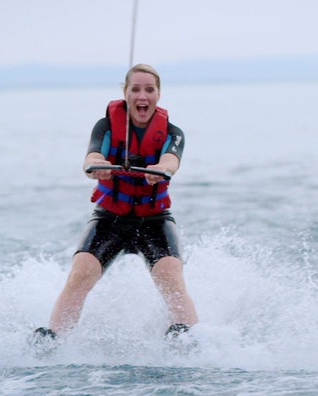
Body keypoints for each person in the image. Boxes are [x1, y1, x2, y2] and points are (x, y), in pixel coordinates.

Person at [34, 64, 198, 344]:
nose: (142, 96)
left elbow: (171, 162)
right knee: (81, 272)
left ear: (158, 94)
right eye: (135, 89)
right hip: (110, 217)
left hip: (154, 219)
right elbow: (91, 156)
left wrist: (157, 168)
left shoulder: (173, 132)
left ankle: (189, 337)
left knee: (170, 275)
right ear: (125, 93)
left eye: (149, 89)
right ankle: (54, 339)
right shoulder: (106, 126)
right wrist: (97, 166)